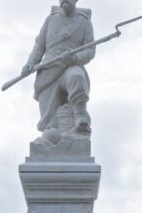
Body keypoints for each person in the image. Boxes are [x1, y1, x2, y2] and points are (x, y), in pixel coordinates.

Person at [22, 0, 95, 133]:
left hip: (70, 65)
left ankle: (80, 116)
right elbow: (39, 46)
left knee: (77, 76)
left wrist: (75, 58)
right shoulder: (50, 20)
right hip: (48, 70)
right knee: (50, 129)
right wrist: (30, 63)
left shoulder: (85, 23)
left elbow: (90, 51)